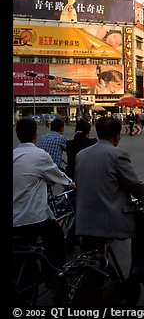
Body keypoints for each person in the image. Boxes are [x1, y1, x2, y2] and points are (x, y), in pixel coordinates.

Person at [74, 117, 144, 304]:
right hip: (110, 219)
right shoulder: (117, 154)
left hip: (83, 220)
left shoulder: (81, 155)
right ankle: (137, 266)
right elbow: (133, 185)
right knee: (141, 219)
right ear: (116, 135)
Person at [13, 117, 75, 305]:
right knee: (56, 244)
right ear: (35, 135)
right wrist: (72, 183)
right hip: (34, 217)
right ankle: (56, 284)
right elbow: (58, 175)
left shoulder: (14, 155)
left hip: (14, 220)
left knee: (22, 252)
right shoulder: (39, 155)